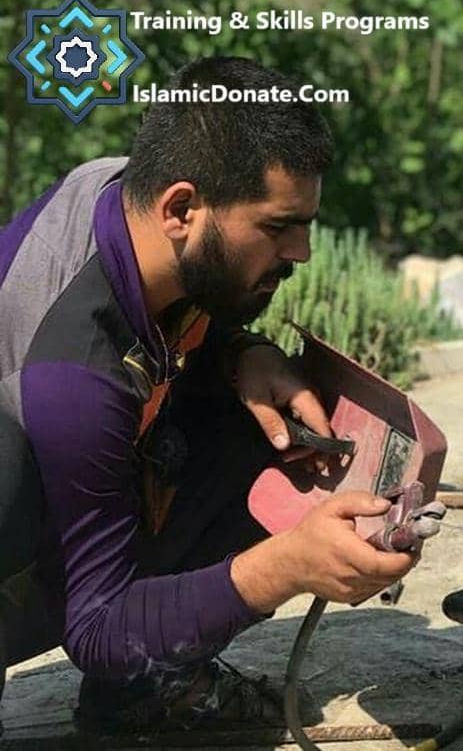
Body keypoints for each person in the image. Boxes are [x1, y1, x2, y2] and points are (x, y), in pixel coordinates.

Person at [0, 57, 418, 731]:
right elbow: (99, 630)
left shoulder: (126, 194)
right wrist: (284, 566)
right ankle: (139, 682)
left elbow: (190, 298)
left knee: (270, 423)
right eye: (279, 227)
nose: (302, 252)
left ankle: (145, 696)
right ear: (182, 209)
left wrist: (238, 351)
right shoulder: (76, 372)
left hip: (62, 453)